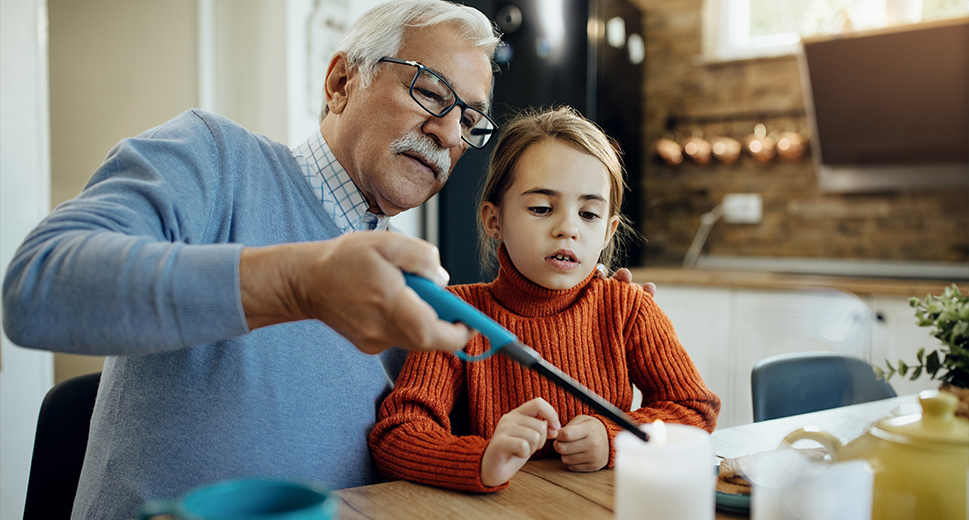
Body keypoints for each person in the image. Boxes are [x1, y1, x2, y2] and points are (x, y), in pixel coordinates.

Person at [2, 1, 499, 518]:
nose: (446, 132)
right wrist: (298, 285)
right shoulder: (215, 158)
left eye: (468, 120)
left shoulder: (415, 290)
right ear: (341, 82)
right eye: (431, 93)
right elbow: (36, 288)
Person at [369, 107, 720, 492]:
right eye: (541, 208)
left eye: (588, 214)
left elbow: (694, 408)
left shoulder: (627, 308)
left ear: (608, 231)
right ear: (494, 220)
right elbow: (397, 436)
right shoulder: (456, 317)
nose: (567, 228)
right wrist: (482, 459)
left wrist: (615, 436)